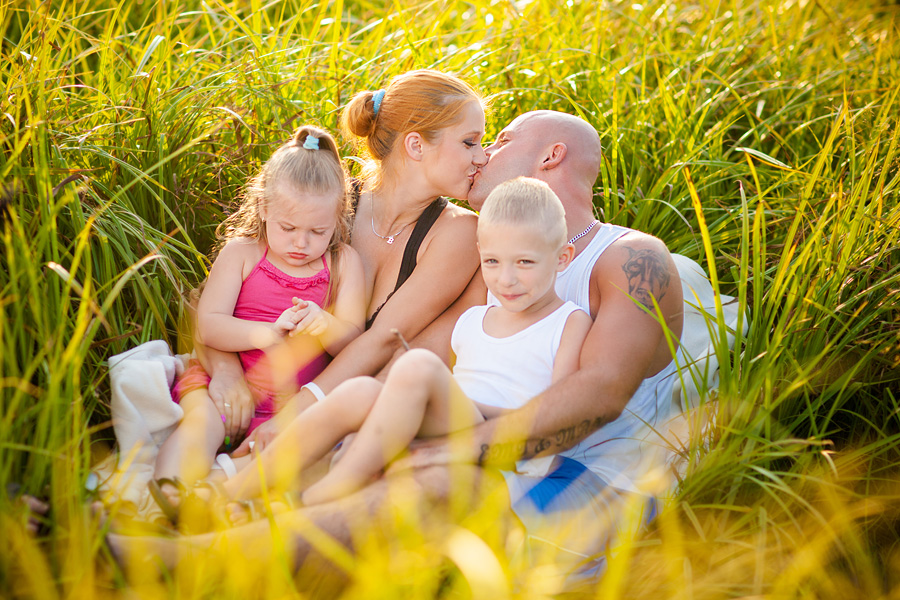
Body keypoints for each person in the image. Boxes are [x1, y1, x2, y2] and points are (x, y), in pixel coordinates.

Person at [108, 110, 685, 589]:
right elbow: (420, 357)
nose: (481, 156)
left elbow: (600, 392)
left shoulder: (631, 257)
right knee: (367, 424)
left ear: (551, 156)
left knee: (437, 484)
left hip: (574, 471)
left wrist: (459, 449)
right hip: (466, 424)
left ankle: (178, 565)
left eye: (498, 140)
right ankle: (217, 507)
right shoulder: (493, 265)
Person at [205, 177, 592, 508]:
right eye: (492, 262)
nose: (506, 279)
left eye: (524, 263)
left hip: (500, 446)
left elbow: (556, 415)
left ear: (563, 258)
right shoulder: (473, 320)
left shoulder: (568, 323)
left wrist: (452, 398)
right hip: (448, 425)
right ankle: (227, 489)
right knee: (360, 391)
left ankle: (320, 496)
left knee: (419, 366)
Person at [200, 70, 488, 456]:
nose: (481, 157)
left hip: (334, 412)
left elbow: (383, 337)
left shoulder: (457, 232)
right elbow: (217, 300)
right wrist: (224, 371)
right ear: (416, 145)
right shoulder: (327, 203)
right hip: (248, 390)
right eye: (470, 142)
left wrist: (292, 420)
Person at [150, 125, 366, 516]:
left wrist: (324, 324)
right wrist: (266, 333)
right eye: (288, 228)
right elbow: (209, 325)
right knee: (203, 426)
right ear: (264, 208)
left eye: (318, 231)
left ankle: (224, 501)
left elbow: (354, 340)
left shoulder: (342, 264)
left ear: (338, 219)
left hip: (292, 402)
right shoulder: (243, 254)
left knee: (305, 450)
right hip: (225, 384)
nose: (301, 243)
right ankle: (168, 496)